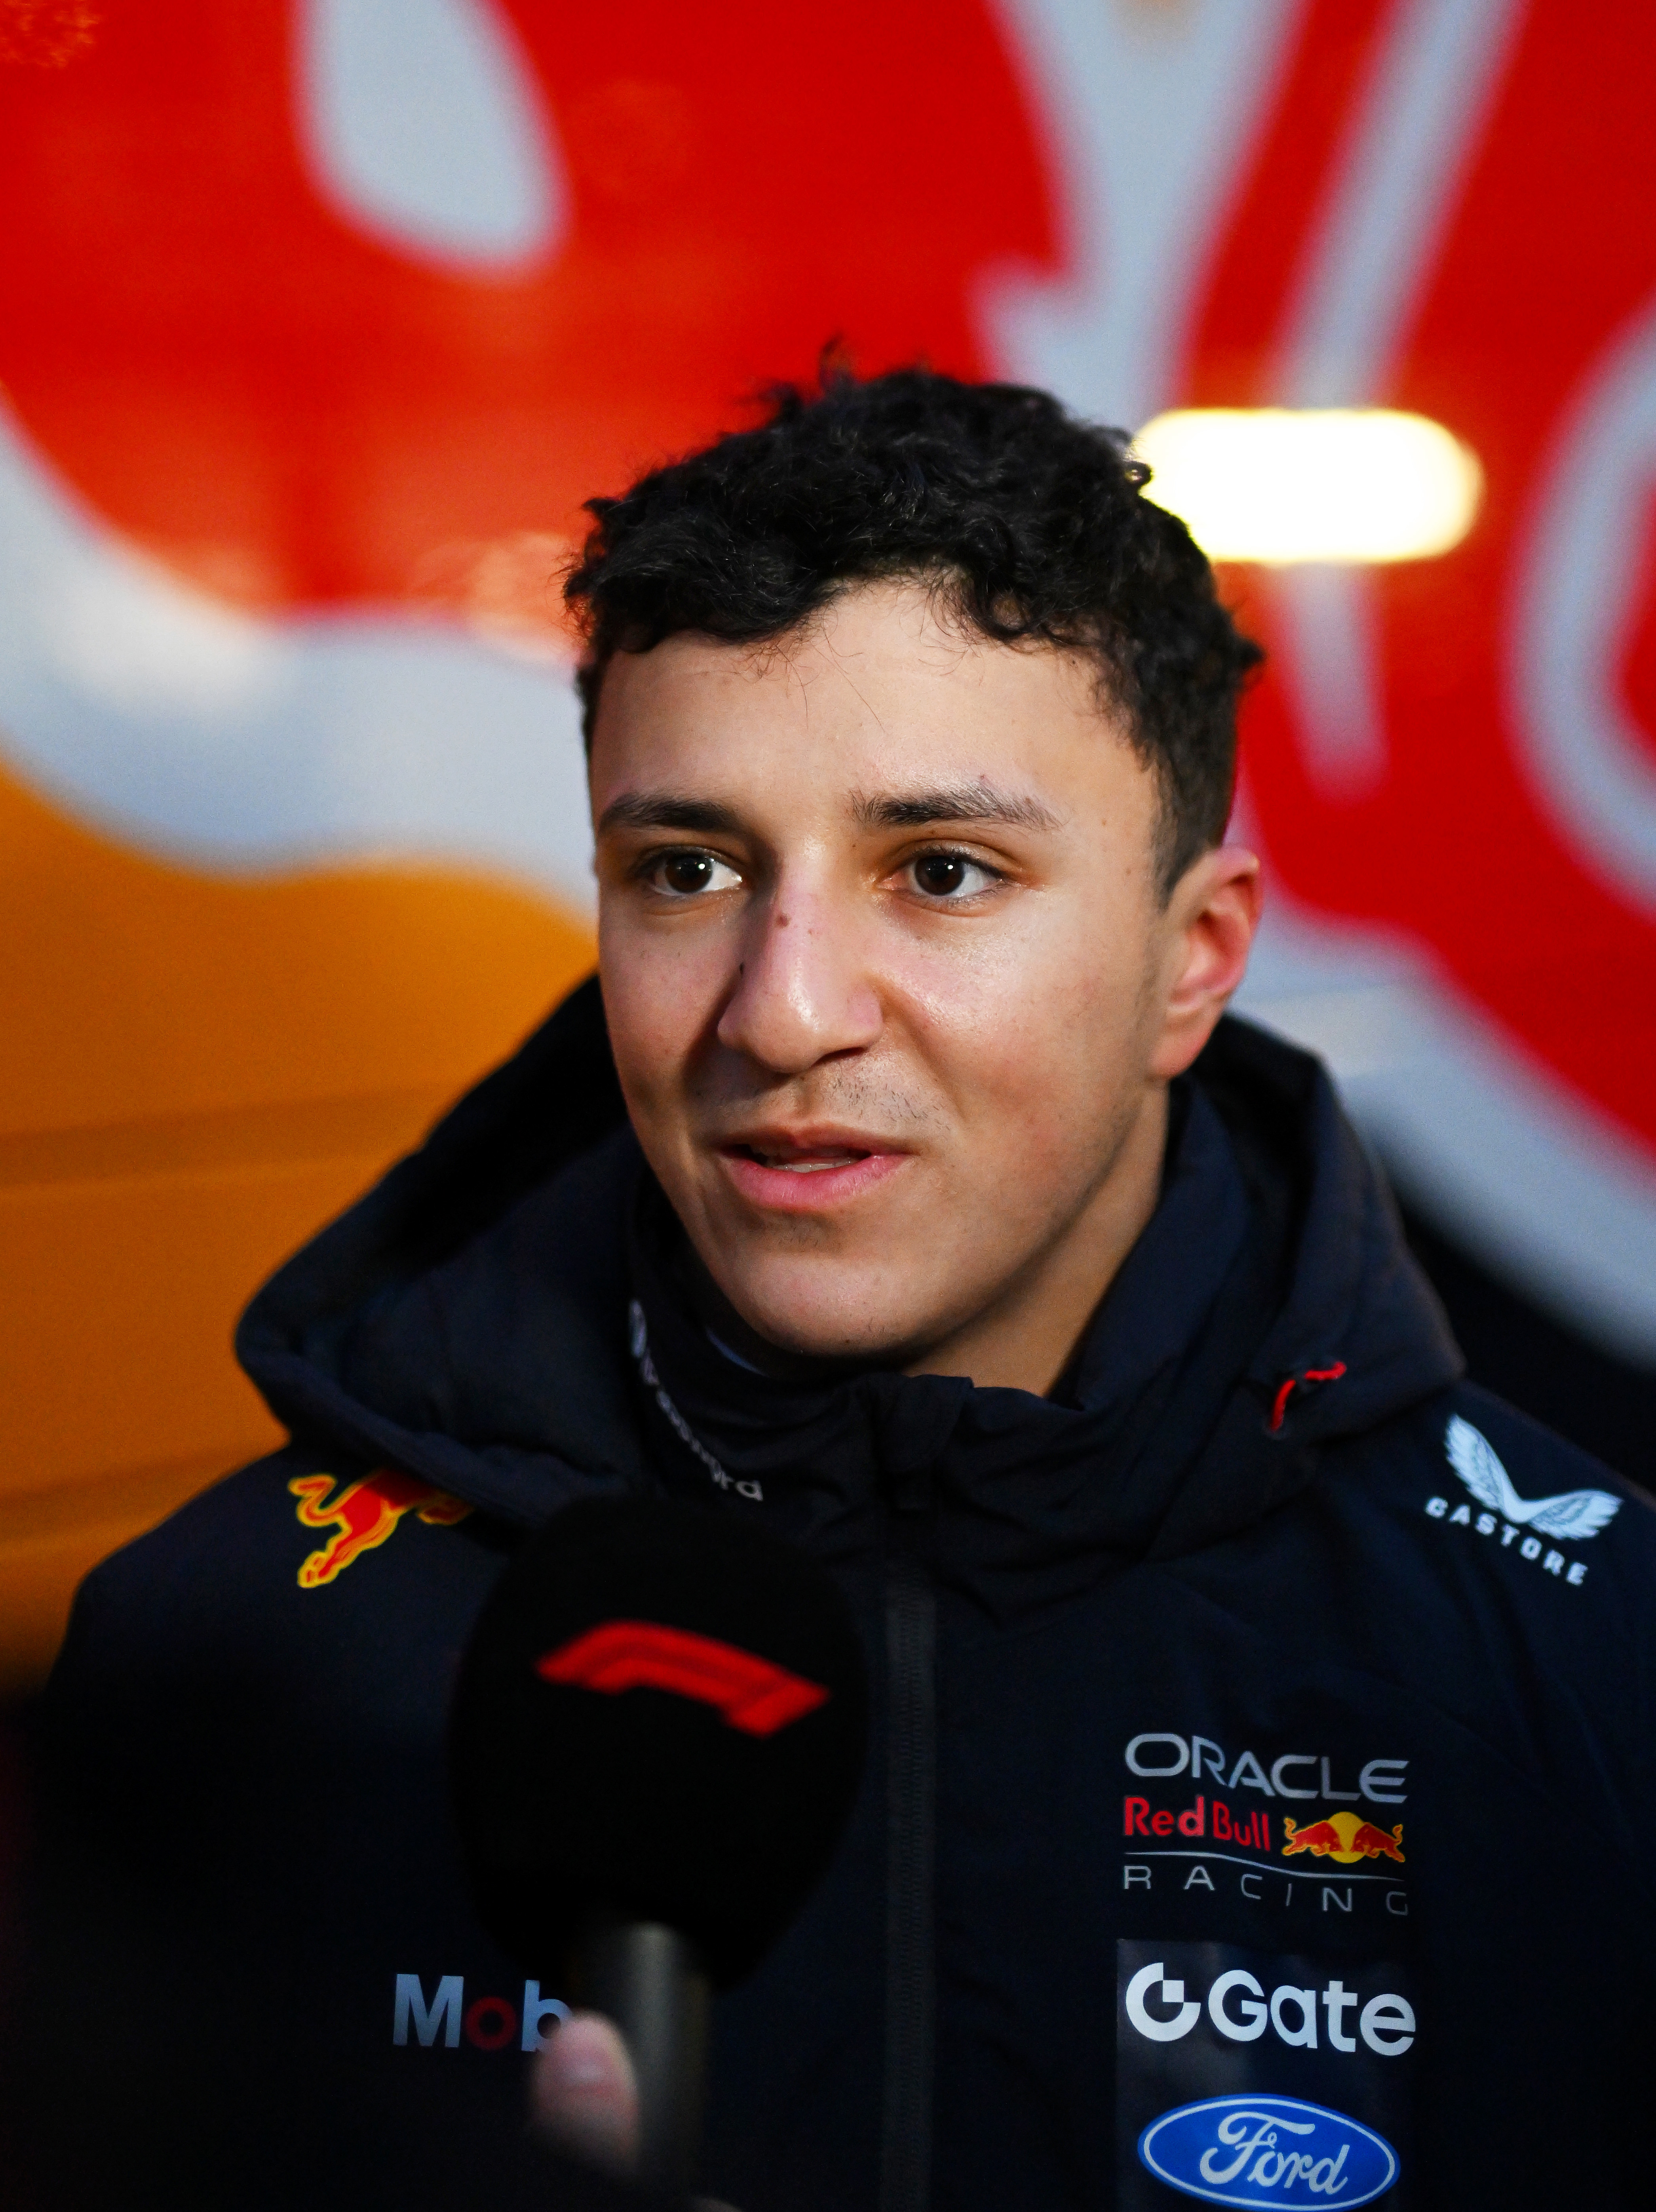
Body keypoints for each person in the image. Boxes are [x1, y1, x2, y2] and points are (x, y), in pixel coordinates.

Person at [16, 369, 1653, 2211]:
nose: (781, 1012)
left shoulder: (1588, 1671)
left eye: (940, 872)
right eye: (687, 869)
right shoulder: (228, 1662)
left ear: (1188, 965)